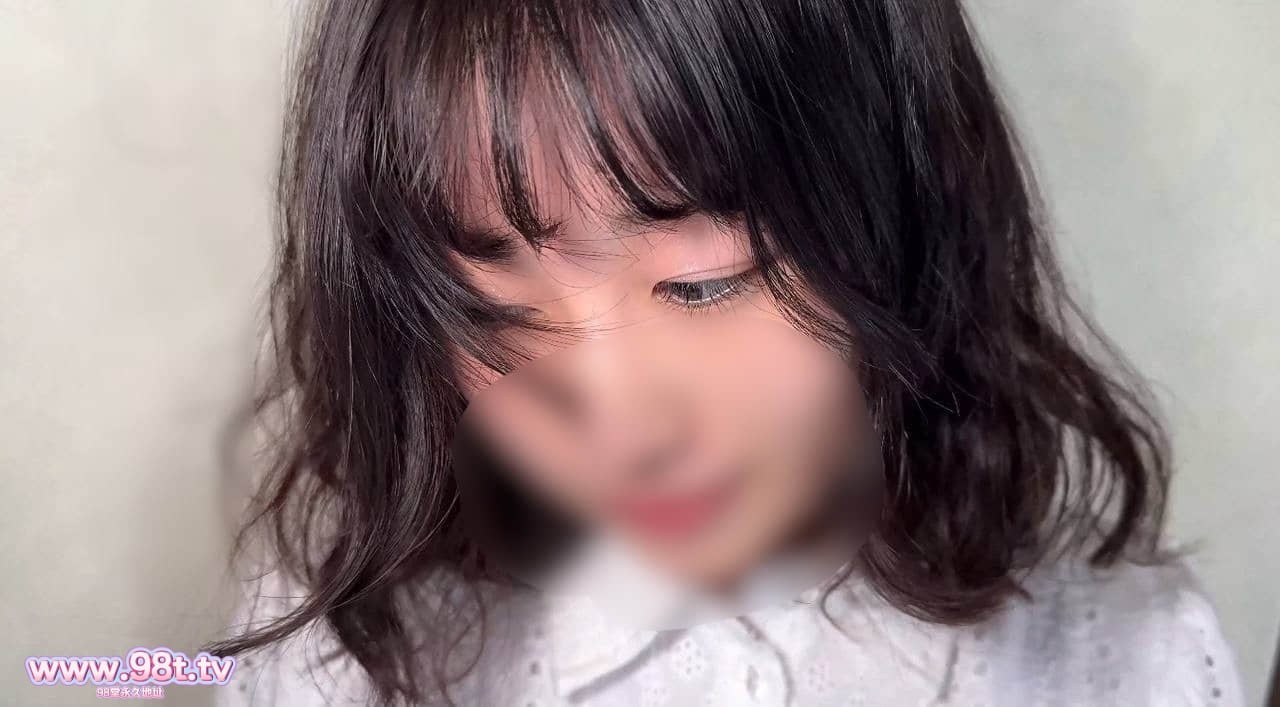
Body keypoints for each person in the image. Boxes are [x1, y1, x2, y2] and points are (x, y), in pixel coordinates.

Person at [210, 0, 1244, 704]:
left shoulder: (1126, 662)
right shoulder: (332, 650)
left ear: (895, 214)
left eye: (703, 285)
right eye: (493, 315)